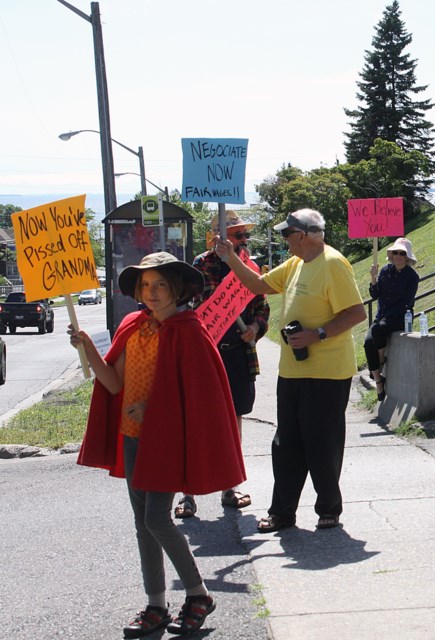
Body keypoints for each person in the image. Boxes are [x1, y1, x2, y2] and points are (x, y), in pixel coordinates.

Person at [69, 252, 244, 638]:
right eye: (146, 285)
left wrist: (154, 406)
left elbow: (199, 395)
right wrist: (88, 350)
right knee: (142, 523)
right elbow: (114, 385)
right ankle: (156, 604)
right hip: (132, 437)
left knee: (156, 518)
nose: (152, 292)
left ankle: (198, 593)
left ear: (177, 289)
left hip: (167, 439)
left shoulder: (189, 330)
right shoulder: (132, 327)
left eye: (161, 284)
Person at [214, 208, 366, 533]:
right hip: (293, 371)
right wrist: (230, 258)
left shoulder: (333, 263)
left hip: (327, 373)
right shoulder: (296, 264)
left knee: (322, 443)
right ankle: (282, 513)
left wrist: (318, 334)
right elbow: (257, 285)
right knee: (286, 444)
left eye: (287, 234)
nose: (284, 240)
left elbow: (356, 313)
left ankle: (328, 509)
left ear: (303, 234)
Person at [175, 210, 270, 519]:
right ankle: (188, 493)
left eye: (244, 235)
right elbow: (189, 306)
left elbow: (262, 305)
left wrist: (255, 328)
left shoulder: (250, 266)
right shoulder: (200, 266)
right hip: (207, 355)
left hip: (238, 356)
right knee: (198, 421)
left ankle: (230, 486)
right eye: (238, 235)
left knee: (235, 419)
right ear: (218, 236)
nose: (243, 240)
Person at [366, 237, 419, 401]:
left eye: (401, 253)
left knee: (378, 329)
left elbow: (407, 302)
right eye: (395, 252)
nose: (398, 256)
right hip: (382, 316)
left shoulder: (412, 277)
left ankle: (381, 361)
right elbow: (375, 295)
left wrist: (388, 317)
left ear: (407, 256)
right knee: (368, 342)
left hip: (400, 317)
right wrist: (373, 278)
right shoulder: (385, 270)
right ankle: (379, 381)